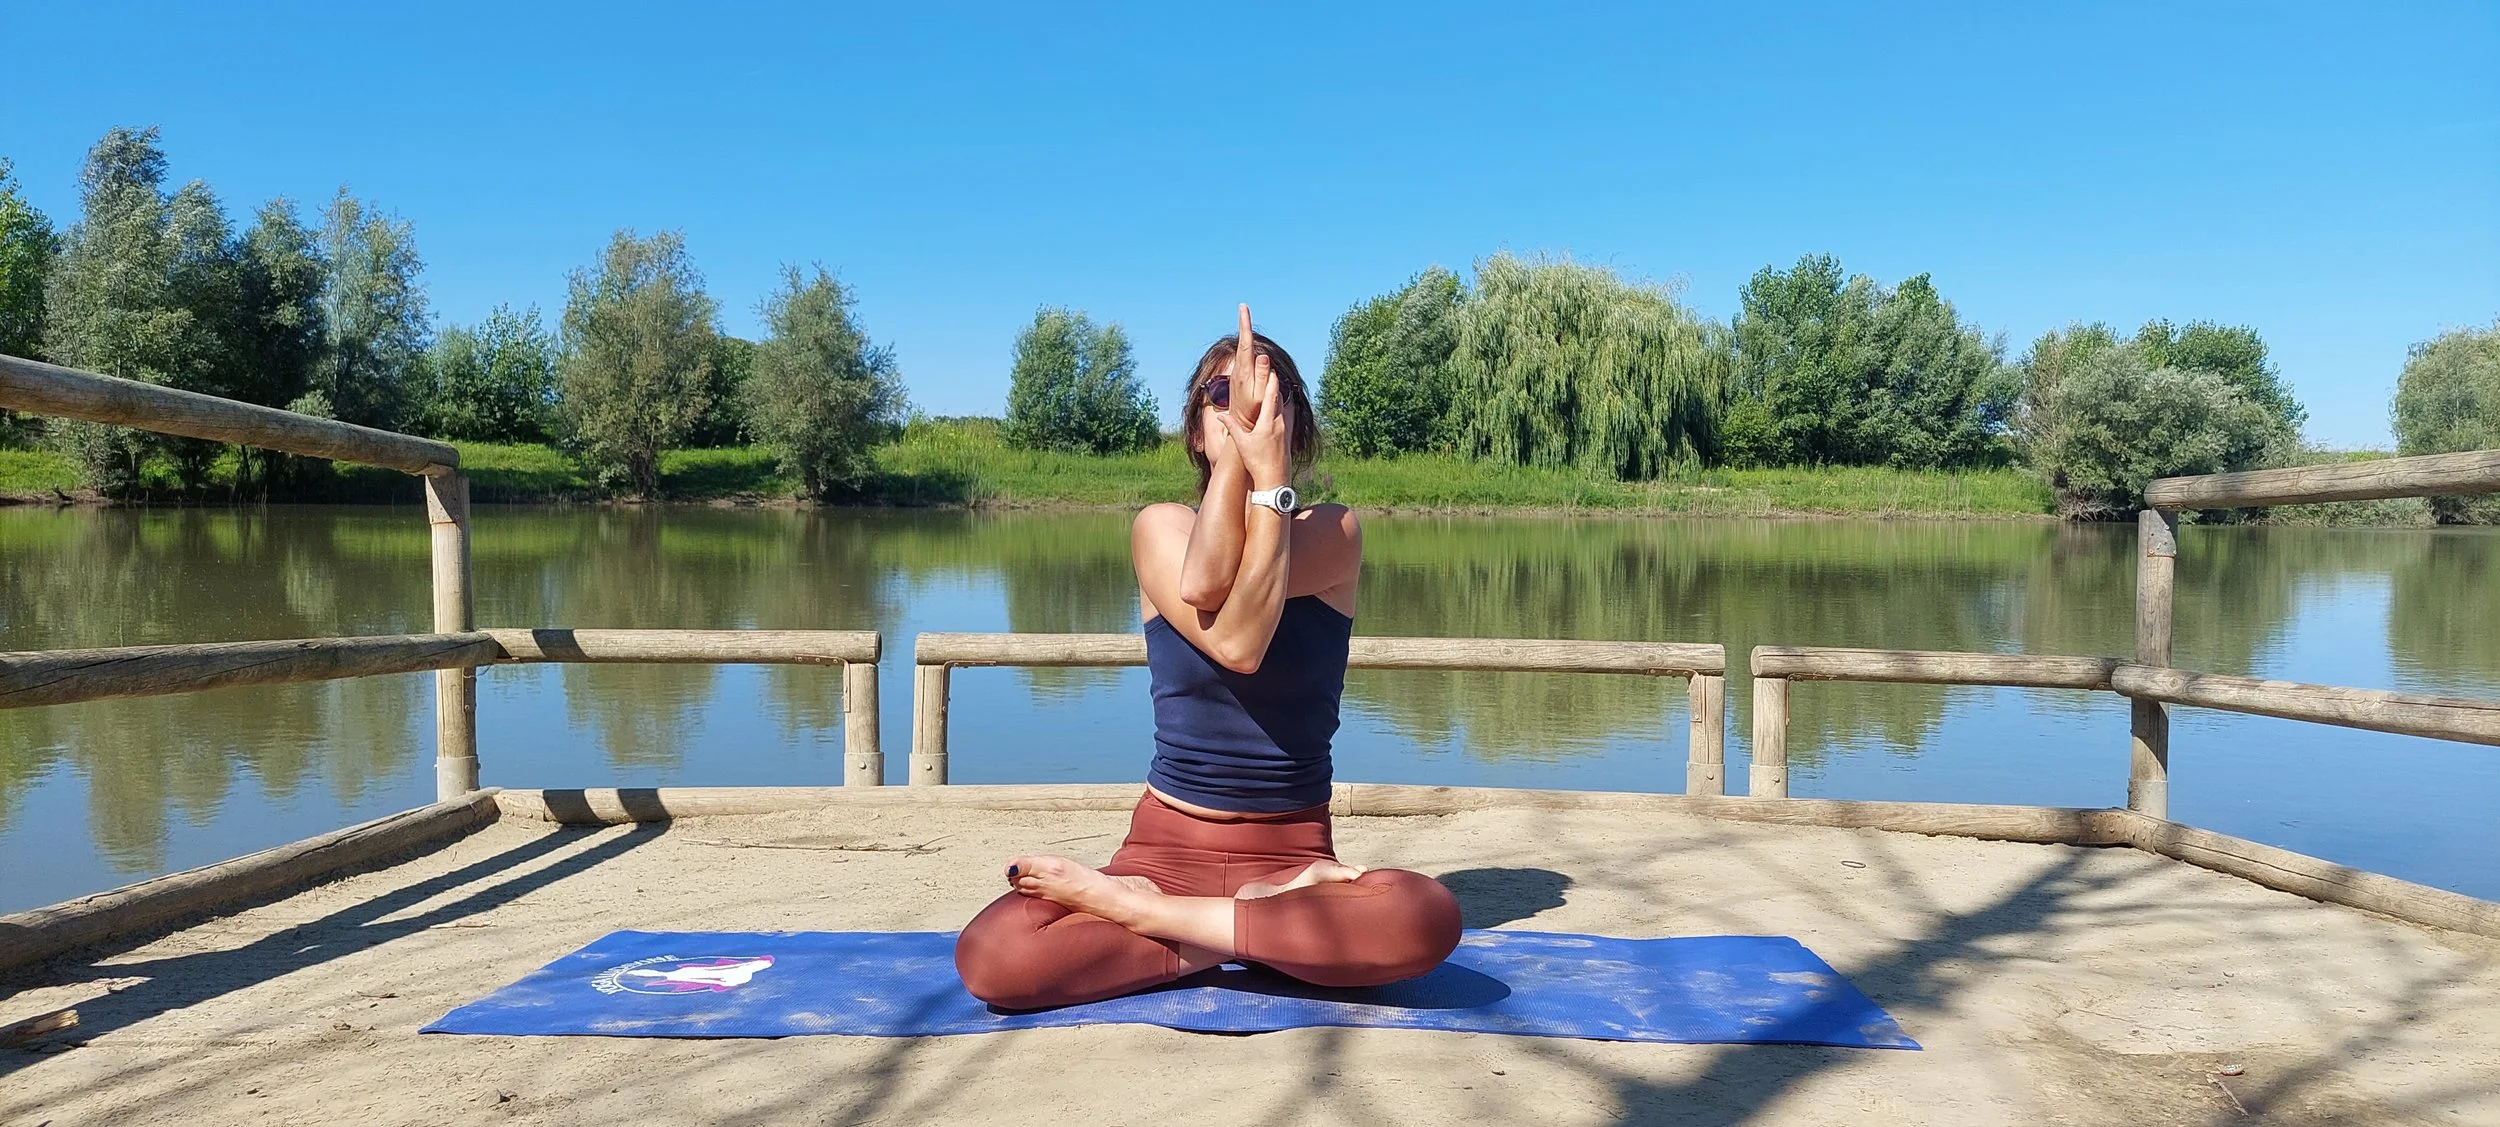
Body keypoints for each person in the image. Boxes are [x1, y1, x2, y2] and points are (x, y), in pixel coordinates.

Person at [953, 305, 1463, 1009]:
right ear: (1195, 426)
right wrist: (1240, 463)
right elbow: (1207, 591)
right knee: (994, 956)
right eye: (1220, 396)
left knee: (1424, 915)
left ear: (1294, 426)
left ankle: (1152, 919)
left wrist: (1269, 481)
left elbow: (1242, 643)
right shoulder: (1158, 528)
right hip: (1162, 853)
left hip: (1292, 861)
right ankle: (1250, 930)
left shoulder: (1332, 531)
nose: (1242, 411)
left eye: (1262, 395)